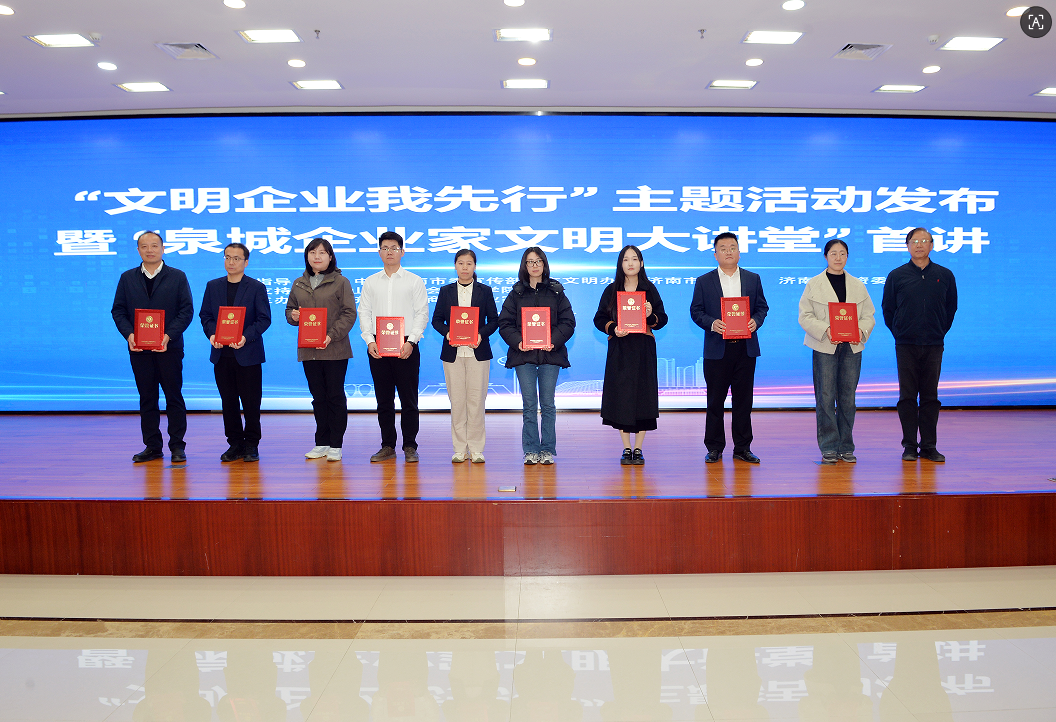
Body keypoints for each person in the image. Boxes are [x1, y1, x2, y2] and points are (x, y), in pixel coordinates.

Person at [110, 231, 194, 463]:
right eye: (144, 246)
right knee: (147, 398)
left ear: (163, 248)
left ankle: (177, 446)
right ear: (138, 250)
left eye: (154, 245)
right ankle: (152, 446)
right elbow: (118, 310)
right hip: (139, 349)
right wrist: (129, 334)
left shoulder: (177, 276)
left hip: (169, 348)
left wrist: (168, 336)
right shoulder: (127, 277)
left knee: (173, 397)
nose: (150, 250)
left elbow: (186, 310)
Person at [689, 232, 769, 464]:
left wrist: (755, 321)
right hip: (717, 349)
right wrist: (712, 323)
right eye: (722, 248)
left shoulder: (753, 279)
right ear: (715, 254)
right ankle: (714, 447)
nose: (728, 252)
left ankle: (742, 448)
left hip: (745, 349)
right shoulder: (704, 281)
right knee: (715, 401)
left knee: (743, 401)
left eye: (732, 247)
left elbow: (762, 308)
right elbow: (696, 311)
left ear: (739, 252)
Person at [882, 227, 958, 462]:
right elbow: (888, 309)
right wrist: (900, 332)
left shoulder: (945, 275)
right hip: (906, 344)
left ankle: (929, 446)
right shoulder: (897, 275)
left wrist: (938, 331)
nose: (919, 245)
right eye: (914, 241)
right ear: (907, 246)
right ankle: (909, 446)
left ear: (931, 245)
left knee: (930, 397)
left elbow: (951, 308)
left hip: (934, 344)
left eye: (924, 241)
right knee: (907, 397)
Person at [798, 239, 876, 464]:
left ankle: (846, 446)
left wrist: (859, 331)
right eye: (833, 253)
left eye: (842, 253)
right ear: (826, 257)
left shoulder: (858, 285)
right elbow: (805, 316)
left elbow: (868, 315)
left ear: (847, 257)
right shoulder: (814, 284)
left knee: (848, 398)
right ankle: (829, 446)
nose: (838, 258)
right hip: (825, 345)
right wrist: (826, 330)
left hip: (852, 347)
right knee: (825, 397)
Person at [498, 247, 576, 465]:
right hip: (524, 356)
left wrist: (554, 340)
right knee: (530, 404)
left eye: (538, 261)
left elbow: (568, 322)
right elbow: (504, 323)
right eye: (530, 262)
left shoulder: (557, 292)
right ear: (524, 265)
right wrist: (518, 342)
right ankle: (531, 449)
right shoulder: (515, 293)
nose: (535, 265)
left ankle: (547, 449)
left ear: (544, 264)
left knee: (548, 404)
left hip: (551, 355)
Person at [592, 245, 668, 465]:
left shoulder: (649, 289)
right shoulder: (611, 290)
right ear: (620, 264)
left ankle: (639, 449)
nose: (631, 263)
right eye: (626, 259)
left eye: (635, 259)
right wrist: (613, 328)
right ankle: (626, 448)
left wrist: (650, 315)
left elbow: (662, 319)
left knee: (643, 397)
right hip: (620, 349)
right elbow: (599, 318)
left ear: (641, 263)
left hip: (643, 348)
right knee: (622, 397)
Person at [358, 231, 429, 463]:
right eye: (385, 248)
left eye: (394, 248)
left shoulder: (414, 280)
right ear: (379, 252)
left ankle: (410, 445)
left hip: (406, 345)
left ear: (402, 252)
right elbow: (364, 312)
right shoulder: (371, 282)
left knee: (409, 400)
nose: (389, 252)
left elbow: (421, 313)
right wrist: (369, 340)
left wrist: (412, 341)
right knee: (384, 400)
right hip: (378, 345)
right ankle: (387, 445)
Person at [285, 238, 357, 462]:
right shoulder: (299, 283)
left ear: (330, 257)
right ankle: (321, 442)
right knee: (318, 397)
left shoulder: (340, 282)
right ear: (307, 256)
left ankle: (336, 444)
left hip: (334, 349)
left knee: (334, 396)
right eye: (312, 252)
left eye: (322, 252)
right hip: (309, 350)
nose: (317, 256)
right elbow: (289, 311)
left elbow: (349, 313)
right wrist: (293, 316)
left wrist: (330, 336)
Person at [199, 242, 272, 463]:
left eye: (236, 258)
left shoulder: (256, 287)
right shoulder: (213, 286)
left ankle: (251, 444)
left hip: (248, 354)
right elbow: (205, 316)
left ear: (246, 262)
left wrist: (245, 337)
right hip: (221, 355)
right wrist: (212, 334)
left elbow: (264, 319)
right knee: (228, 402)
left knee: (251, 402)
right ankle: (235, 444)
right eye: (227, 257)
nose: (231, 262)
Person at [431, 249, 499, 463]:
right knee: (458, 401)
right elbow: (436, 320)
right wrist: (448, 333)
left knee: (476, 401)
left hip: (478, 352)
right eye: (461, 263)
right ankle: (460, 448)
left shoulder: (485, 291)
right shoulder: (446, 291)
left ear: (475, 266)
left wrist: (480, 335)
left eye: (469, 263)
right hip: (453, 353)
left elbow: (494, 321)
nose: (465, 267)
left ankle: (477, 448)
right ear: (455, 266)